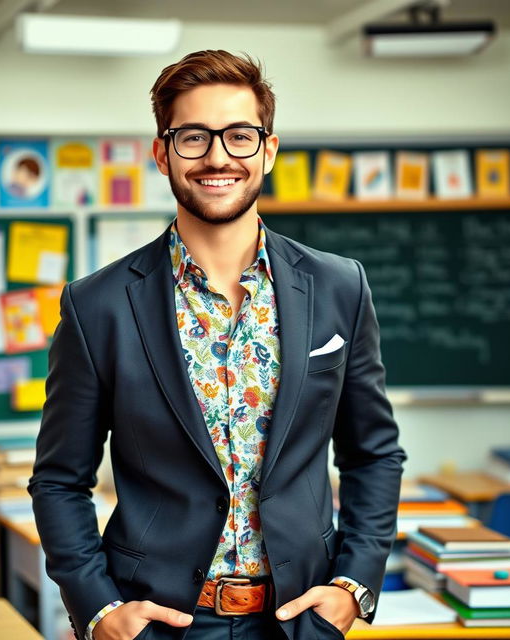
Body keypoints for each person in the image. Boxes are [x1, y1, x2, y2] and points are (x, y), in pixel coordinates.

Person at [29, 49, 406, 640]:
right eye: (193, 137)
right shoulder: (96, 307)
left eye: (239, 136)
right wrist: (99, 609)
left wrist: (353, 586)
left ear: (269, 150)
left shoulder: (340, 287)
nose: (217, 157)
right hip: (160, 622)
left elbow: (374, 453)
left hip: (300, 618)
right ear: (162, 153)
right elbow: (58, 480)